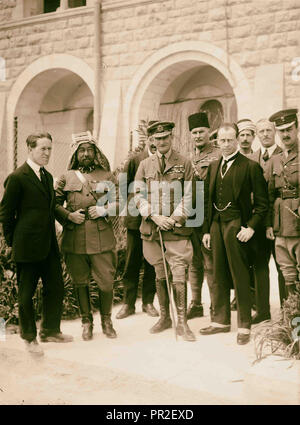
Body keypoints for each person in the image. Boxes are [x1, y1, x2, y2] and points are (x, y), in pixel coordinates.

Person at [0, 132, 73, 356]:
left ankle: (50, 330)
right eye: (43, 149)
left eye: (49, 149)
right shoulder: (17, 177)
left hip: (48, 244)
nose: (47, 153)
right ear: (30, 149)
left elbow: (49, 208)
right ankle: (29, 337)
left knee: (56, 287)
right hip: (27, 247)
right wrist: (13, 243)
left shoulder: (47, 176)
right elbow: (5, 214)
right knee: (26, 293)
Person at [200, 123, 268, 345]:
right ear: (216, 141)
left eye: (230, 140)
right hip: (217, 225)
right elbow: (207, 203)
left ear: (237, 140)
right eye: (222, 140)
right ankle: (220, 321)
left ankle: (244, 325)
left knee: (240, 275)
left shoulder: (250, 167)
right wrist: (207, 230)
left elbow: (262, 204)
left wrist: (251, 227)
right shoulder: (212, 166)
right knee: (217, 272)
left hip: (238, 225)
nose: (226, 144)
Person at [134, 121, 196, 341]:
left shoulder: (184, 163)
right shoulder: (144, 165)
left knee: (179, 272)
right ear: (152, 140)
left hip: (176, 230)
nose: (161, 142)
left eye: (165, 138)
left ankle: (182, 322)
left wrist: (173, 218)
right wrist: (154, 216)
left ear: (172, 138)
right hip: (152, 229)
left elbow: (190, 195)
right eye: (157, 139)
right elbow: (137, 195)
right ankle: (164, 317)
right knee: (160, 272)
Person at [55, 131, 117, 341]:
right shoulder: (66, 177)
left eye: (90, 149)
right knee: (79, 281)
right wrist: (68, 216)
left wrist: (104, 210)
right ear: (75, 153)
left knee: (106, 282)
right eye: (82, 150)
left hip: (101, 237)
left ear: (95, 152)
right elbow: (53, 204)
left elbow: (121, 201)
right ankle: (86, 322)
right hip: (75, 238)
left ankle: (107, 321)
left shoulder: (107, 175)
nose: (86, 153)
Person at [116, 128, 158, 319]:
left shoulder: (164, 160)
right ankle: (128, 303)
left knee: (152, 260)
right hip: (135, 220)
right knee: (132, 260)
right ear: (148, 139)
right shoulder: (134, 160)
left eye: (161, 138)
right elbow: (124, 188)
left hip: (156, 219)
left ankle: (148, 302)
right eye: (153, 138)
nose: (156, 142)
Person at [248, 119, 286, 321]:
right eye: (261, 131)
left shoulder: (285, 154)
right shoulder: (251, 158)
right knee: (259, 266)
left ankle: (288, 312)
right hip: (257, 222)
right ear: (257, 134)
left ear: (275, 132)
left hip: (280, 222)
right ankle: (262, 311)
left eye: (268, 131)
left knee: (283, 267)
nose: (265, 134)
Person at [187, 112, 221, 319]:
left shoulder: (217, 155)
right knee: (193, 260)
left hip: (210, 213)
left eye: (201, 131)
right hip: (192, 214)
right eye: (194, 132)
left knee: (211, 262)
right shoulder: (188, 157)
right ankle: (196, 303)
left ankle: (216, 305)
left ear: (209, 132)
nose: (198, 136)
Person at [267, 109, 300, 296]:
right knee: (287, 271)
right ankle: (293, 319)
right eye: (282, 131)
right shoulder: (275, 160)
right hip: (280, 225)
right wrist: (268, 225)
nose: (286, 134)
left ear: (297, 128)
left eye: (289, 129)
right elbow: (269, 195)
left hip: (298, 223)